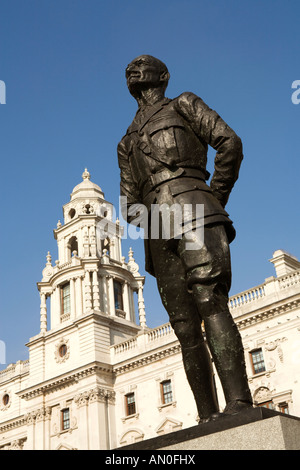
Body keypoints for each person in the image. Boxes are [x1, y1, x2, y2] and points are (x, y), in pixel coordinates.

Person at [117, 55, 252, 422]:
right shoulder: (126, 142)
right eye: (129, 66)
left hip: (196, 208)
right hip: (157, 229)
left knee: (209, 299)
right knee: (184, 326)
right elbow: (128, 203)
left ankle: (239, 404)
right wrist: (150, 215)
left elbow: (229, 143)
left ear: (163, 75)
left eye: (142, 64)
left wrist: (211, 197)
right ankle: (206, 417)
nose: (132, 68)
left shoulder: (185, 103)